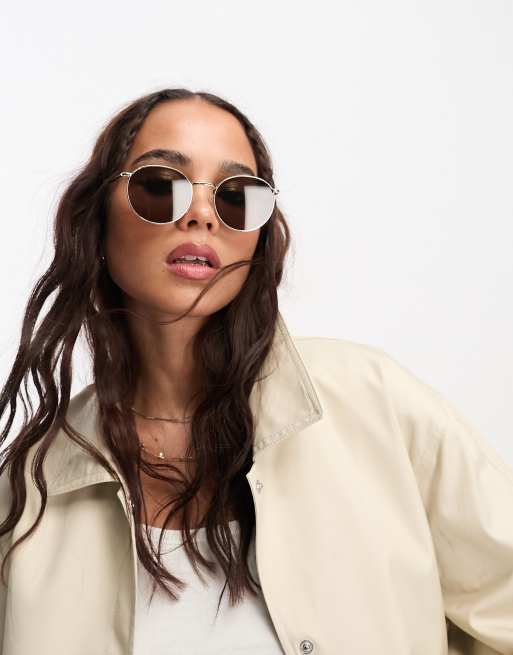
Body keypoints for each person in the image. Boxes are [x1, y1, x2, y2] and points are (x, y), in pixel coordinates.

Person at [0, 88, 512, 655]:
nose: (201, 214)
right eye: (159, 185)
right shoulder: (28, 492)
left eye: (236, 197)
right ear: (96, 218)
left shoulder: (374, 405)